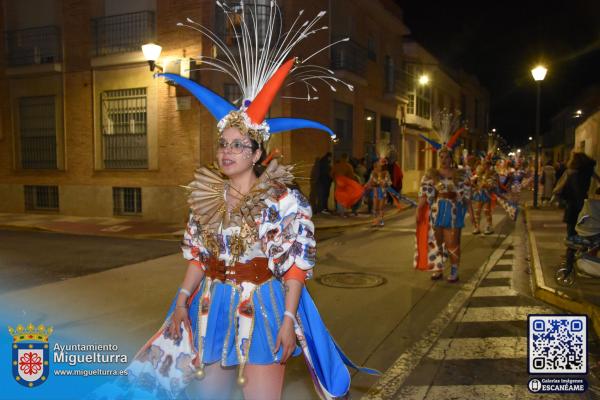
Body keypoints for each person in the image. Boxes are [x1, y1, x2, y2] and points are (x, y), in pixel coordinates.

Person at [96, 3, 377, 399]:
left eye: (238, 145)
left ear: (258, 154)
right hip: (213, 305)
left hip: (264, 306)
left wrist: (288, 317)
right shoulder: (207, 198)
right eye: (223, 144)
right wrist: (181, 301)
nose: (227, 152)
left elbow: (296, 266)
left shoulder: (285, 201)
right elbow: (197, 255)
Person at [415, 109, 469, 282]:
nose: (444, 159)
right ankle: (438, 268)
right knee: (437, 242)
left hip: (453, 211)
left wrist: (460, 200)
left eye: (446, 157)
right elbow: (425, 193)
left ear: (451, 157)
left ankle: (454, 270)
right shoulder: (431, 174)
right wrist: (419, 209)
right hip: (437, 210)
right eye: (441, 156)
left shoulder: (461, 174)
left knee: (452, 242)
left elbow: (466, 194)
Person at [553, 152, 599, 271]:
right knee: (585, 237)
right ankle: (583, 262)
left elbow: (558, 189)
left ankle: (568, 267)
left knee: (572, 238)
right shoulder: (589, 171)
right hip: (585, 209)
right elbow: (598, 180)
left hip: (573, 208)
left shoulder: (570, 173)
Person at [471, 159, 497, 235]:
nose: (484, 166)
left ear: (489, 165)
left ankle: (489, 226)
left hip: (487, 194)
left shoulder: (492, 173)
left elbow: (494, 184)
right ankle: (477, 227)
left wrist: (487, 185)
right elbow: (472, 179)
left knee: (486, 211)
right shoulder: (479, 173)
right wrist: (474, 184)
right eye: (483, 164)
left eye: (486, 164)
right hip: (479, 193)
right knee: (477, 211)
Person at [366, 159, 391, 227]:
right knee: (375, 207)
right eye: (376, 166)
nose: (377, 167)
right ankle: (375, 220)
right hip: (375, 192)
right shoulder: (373, 173)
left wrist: (385, 183)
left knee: (381, 207)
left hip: (382, 192)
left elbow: (389, 182)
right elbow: (369, 182)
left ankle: (381, 220)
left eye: (379, 166)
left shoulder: (386, 173)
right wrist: (367, 185)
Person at [331, 153, 357, 217]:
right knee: (344, 198)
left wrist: (335, 179)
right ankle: (342, 212)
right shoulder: (348, 166)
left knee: (338, 197)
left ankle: (339, 211)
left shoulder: (336, 165)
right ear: (346, 158)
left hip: (337, 183)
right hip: (345, 184)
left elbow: (331, 174)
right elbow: (352, 176)